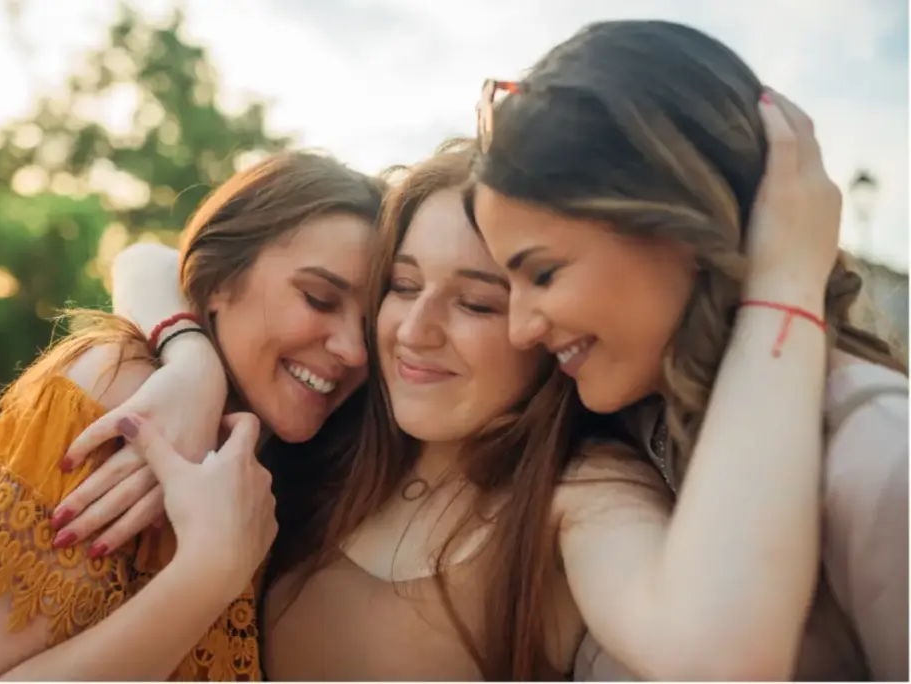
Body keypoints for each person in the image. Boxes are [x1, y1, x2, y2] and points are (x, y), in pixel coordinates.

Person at [63, 101, 858, 679]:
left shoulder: (574, 497)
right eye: (401, 286)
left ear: (546, 329)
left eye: (477, 303)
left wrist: (786, 278)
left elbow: (717, 653)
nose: (416, 329)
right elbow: (150, 261)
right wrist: (193, 363)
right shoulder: (328, 437)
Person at [469, 19, 908, 681]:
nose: (520, 329)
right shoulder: (628, 437)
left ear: (682, 226)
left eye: (544, 274)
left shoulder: (880, 463)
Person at [0, 151, 383, 681]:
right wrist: (212, 567)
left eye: (370, 325)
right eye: (319, 299)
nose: (353, 350)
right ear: (219, 281)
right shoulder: (113, 393)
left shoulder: (294, 446)